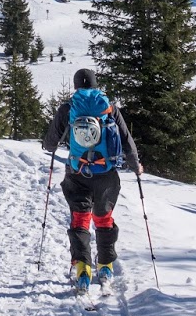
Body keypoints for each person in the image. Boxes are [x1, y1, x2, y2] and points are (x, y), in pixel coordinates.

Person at [42, 68, 142, 294]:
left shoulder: (69, 108)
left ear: (76, 86)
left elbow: (50, 143)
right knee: (103, 218)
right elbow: (126, 139)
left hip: (78, 173)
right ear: (96, 86)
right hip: (106, 175)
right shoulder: (109, 108)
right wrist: (136, 165)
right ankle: (105, 267)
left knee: (80, 219)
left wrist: (53, 144)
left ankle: (82, 270)